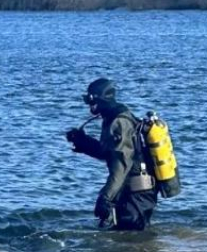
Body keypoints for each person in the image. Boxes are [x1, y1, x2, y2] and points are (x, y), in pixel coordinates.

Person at [66, 78, 158, 231]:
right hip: (129, 192)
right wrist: (84, 143)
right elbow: (107, 154)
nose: (89, 105)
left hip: (136, 195)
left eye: (91, 99)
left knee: (133, 244)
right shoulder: (111, 118)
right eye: (86, 99)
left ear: (104, 98)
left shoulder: (119, 123)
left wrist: (105, 198)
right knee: (125, 243)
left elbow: (121, 167)